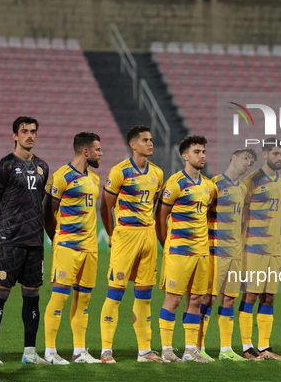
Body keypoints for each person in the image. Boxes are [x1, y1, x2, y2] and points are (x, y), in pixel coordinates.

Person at [0, 116, 50, 365]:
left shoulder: (43, 166)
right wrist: (2, 222)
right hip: (10, 241)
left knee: (32, 294)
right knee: (0, 292)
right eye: (24, 131)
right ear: (15, 135)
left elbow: (38, 200)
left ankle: (30, 353)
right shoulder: (5, 166)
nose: (29, 135)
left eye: (33, 131)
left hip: (34, 241)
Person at [99, 125, 164, 363]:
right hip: (125, 235)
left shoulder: (157, 173)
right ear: (133, 145)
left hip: (148, 236)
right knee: (115, 293)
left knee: (144, 295)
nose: (150, 143)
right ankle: (106, 350)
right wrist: (112, 235)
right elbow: (106, 206)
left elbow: (154, 204)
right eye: (145, 140)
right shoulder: (120, 172)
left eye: (151, 139)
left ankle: (145, 351)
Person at [42, 132, 102, 364]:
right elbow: (47, 213)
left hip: (90, 249)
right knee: (59, 298)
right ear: (85, 151)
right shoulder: (61, 177)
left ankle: (79, 352)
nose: (101, 153)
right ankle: (50, 352)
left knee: (84, 300)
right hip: (68, 246)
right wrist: (56, 239)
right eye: (98, 149)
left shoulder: (94, 178)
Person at [156, 135, 215, 363]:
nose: (202, 156)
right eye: (197, 152)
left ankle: (191, 351)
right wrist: (167, 245)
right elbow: (161, 218)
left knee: (196, 300)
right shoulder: (175, 183)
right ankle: (167, 350)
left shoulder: (209, 186)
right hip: (178, 252)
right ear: (185, 156)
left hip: (202, 253)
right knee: (173, 300)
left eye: (203, 152)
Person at [196, 148, 256, 362]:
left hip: (235, 253)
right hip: (215, 251)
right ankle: (198, 348)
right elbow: (201, 215)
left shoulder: (242, 188)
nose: (248, 163)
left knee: (229, 299)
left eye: (251, 161)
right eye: (245, 158)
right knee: (208, 298)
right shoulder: (215, 183)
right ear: (233, 157)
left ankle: (225, 349)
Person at [239, 137, 281, 361]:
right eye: (276, 154)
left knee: (269, 297)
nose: (279, 158)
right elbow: (239, 214)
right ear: (265, 154)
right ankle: (247, 347)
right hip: (253, 248)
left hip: (274, 249)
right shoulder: (251, 181)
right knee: (250, 295)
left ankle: (265, 347)